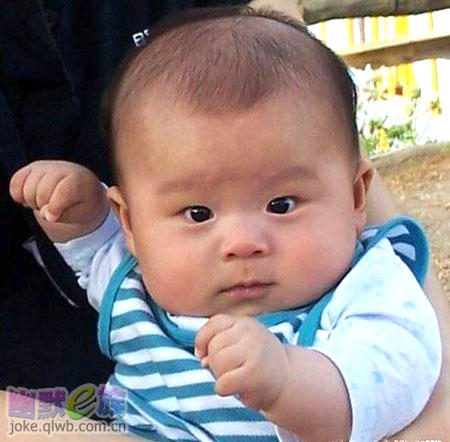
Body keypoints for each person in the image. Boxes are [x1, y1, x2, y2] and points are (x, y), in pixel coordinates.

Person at [9, 7, 442, 441]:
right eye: (198, 214)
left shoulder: (366, 289)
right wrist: (82, 217)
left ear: (356, 198)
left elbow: (390, 384)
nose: (242, 243)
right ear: (131, 224)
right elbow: (99, 258)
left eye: (281, 205)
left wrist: (287, 381)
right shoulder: (136, 287)